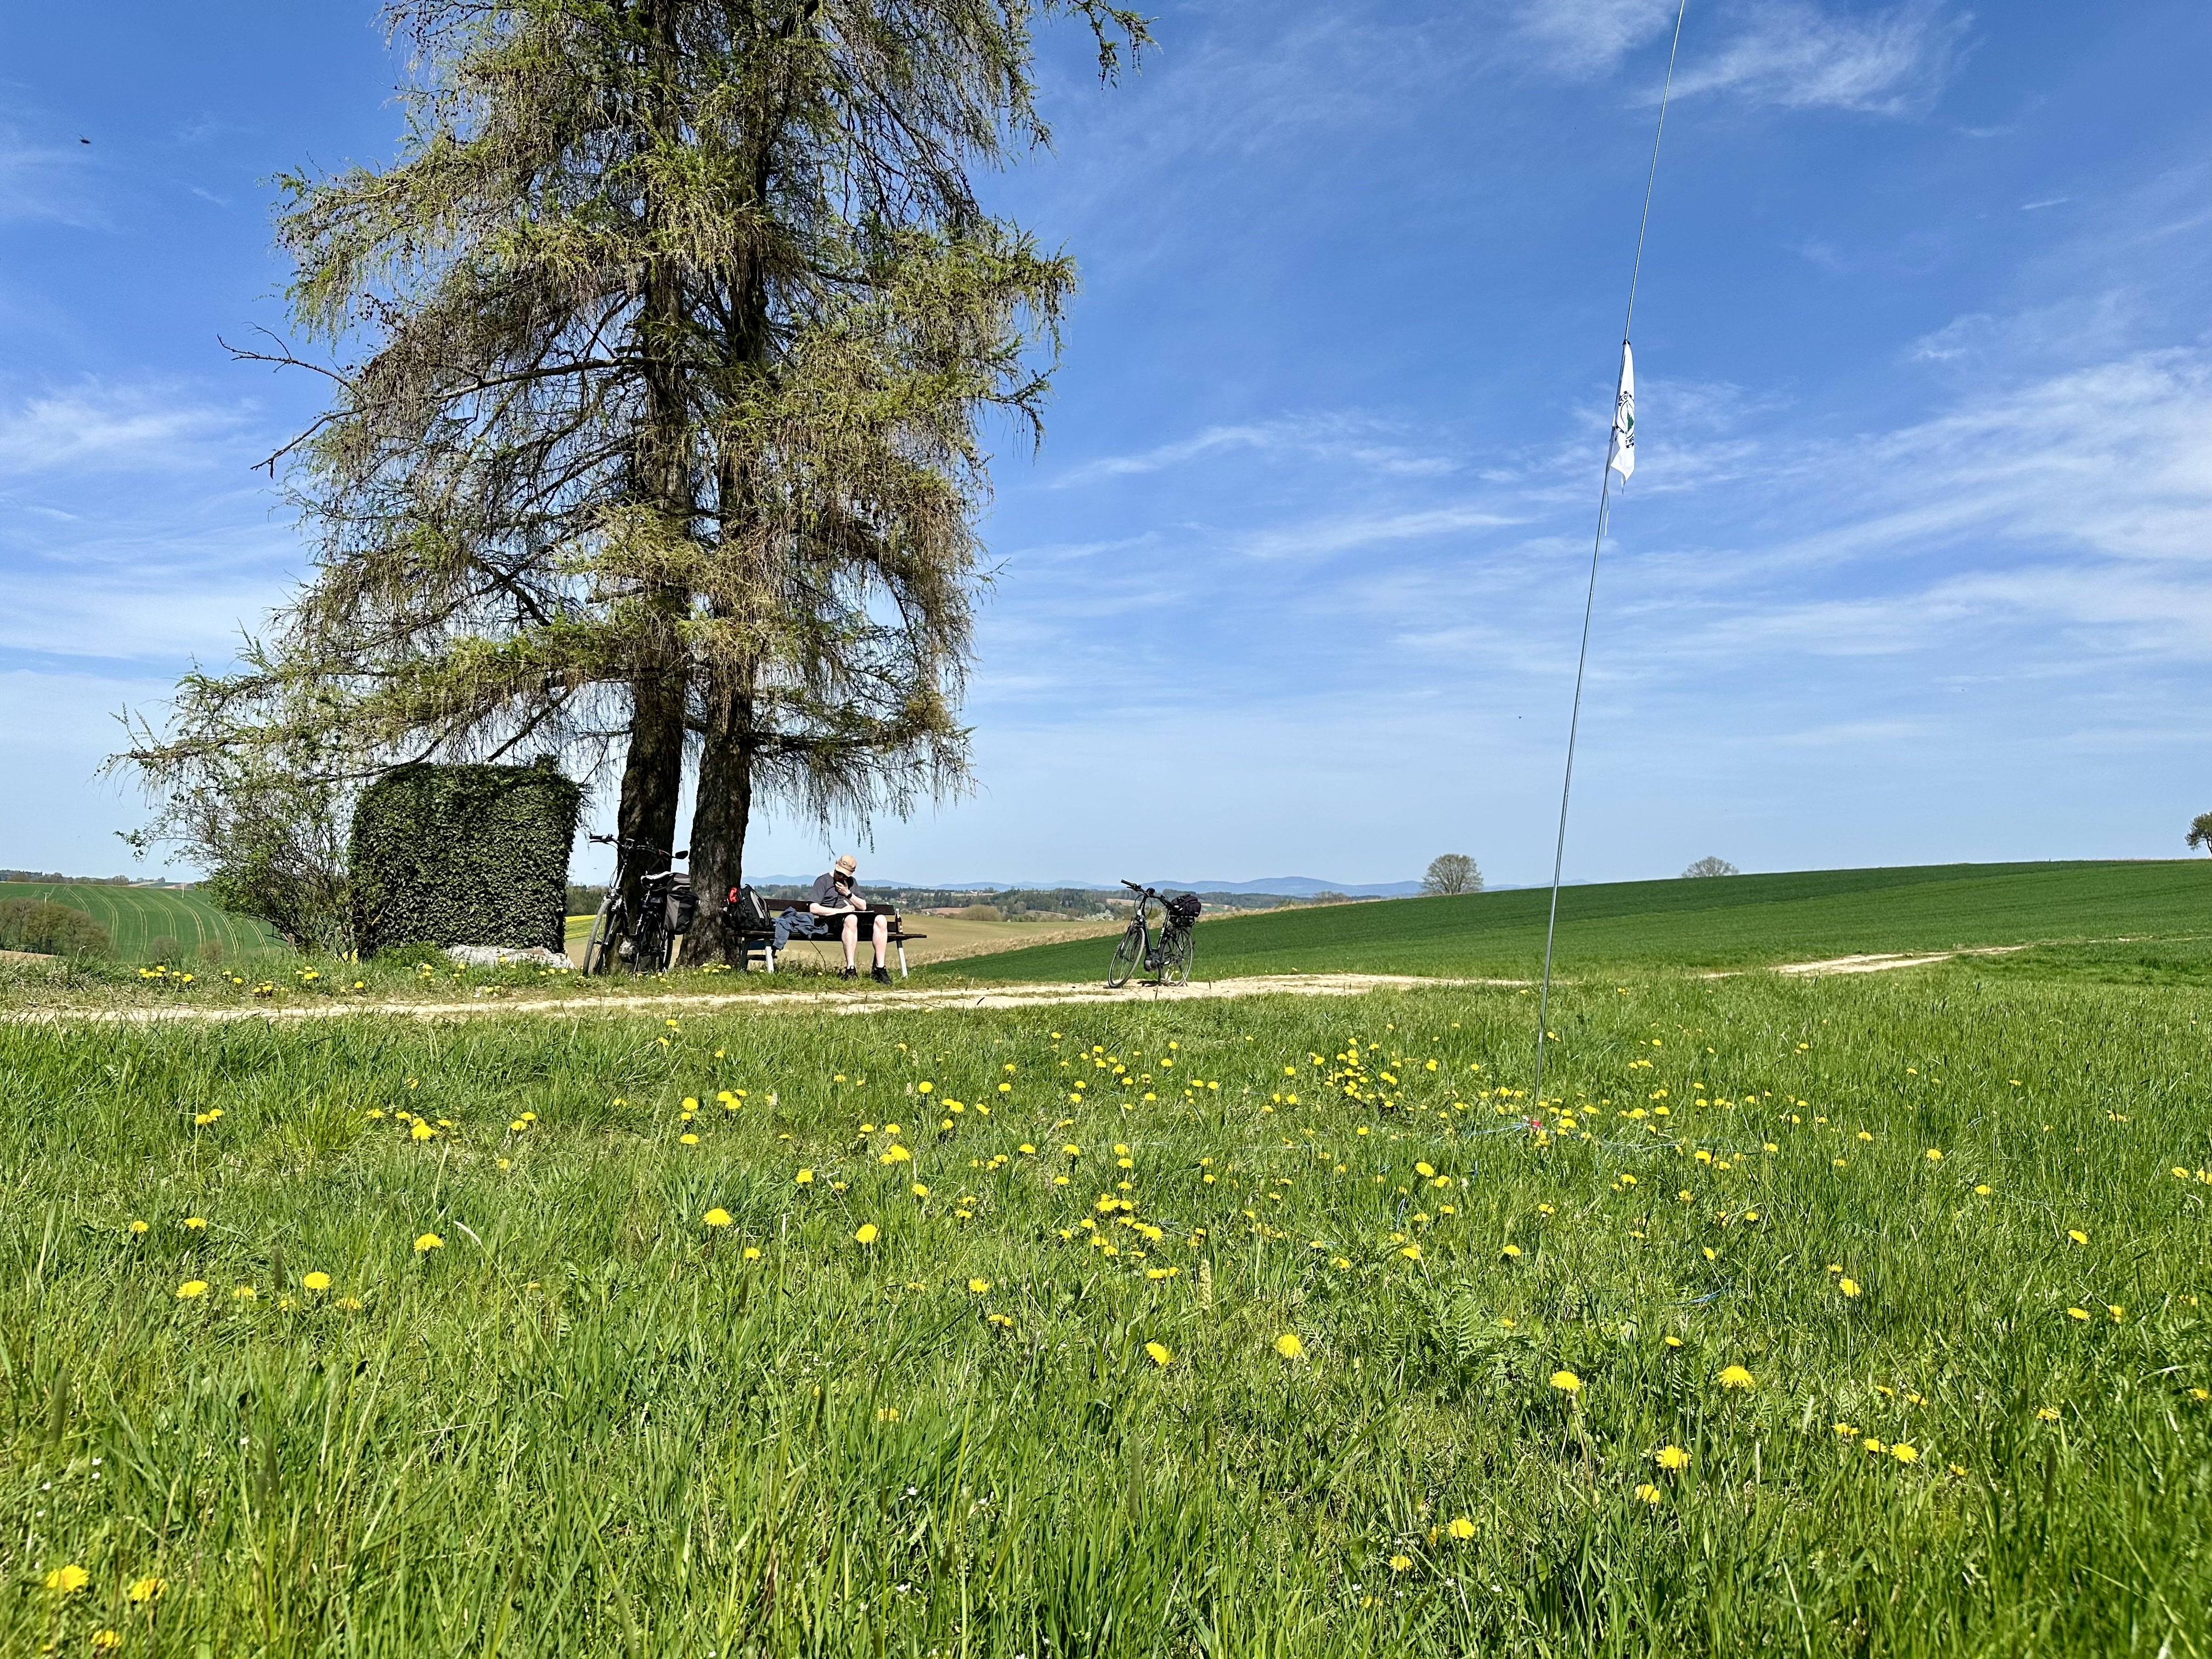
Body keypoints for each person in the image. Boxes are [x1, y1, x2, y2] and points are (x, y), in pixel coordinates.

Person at [783, 853, 891, 982]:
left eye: (845, 876)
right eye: (840, 873)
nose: (841, 877)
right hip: (831, 920)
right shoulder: (823, 881)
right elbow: (814, 908)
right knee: (851, 919)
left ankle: (880, 969)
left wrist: (848, 893)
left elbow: (863, 906)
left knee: (881, 920)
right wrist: (841, 911)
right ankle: (851, 969)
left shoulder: (852, 883)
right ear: (836, 866)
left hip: (853, 918)